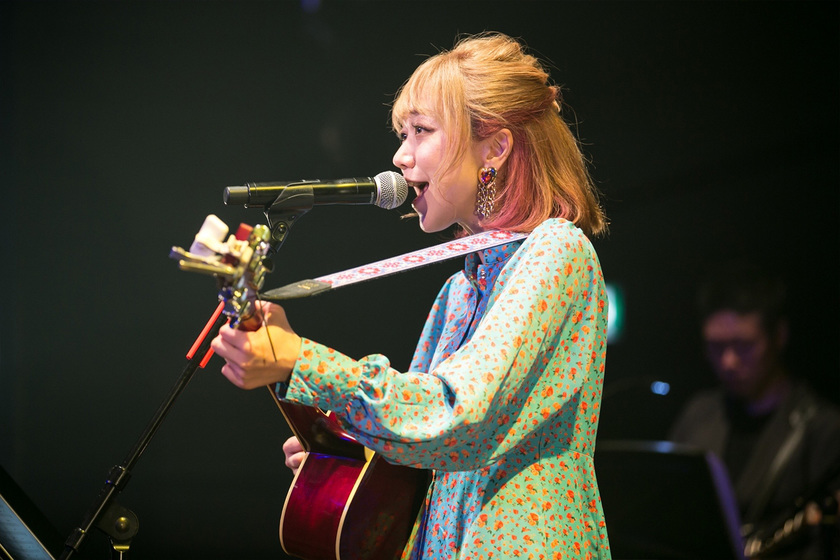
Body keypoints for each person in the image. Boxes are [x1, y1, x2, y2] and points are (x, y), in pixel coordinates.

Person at [211, 32, 611, 559]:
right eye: (403, 134)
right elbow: (422, 442)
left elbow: (459, 415)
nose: (400, 156)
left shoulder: (557, 250)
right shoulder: (459, 291)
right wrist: (347, 456)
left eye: (421, 130)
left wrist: (304, 361)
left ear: (495, 147)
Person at [669, 263, 840, 559]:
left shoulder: (823, 430)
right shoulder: (698, 414)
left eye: (744, 345)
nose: (729, 362)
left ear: (779, 336)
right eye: (716, 347)